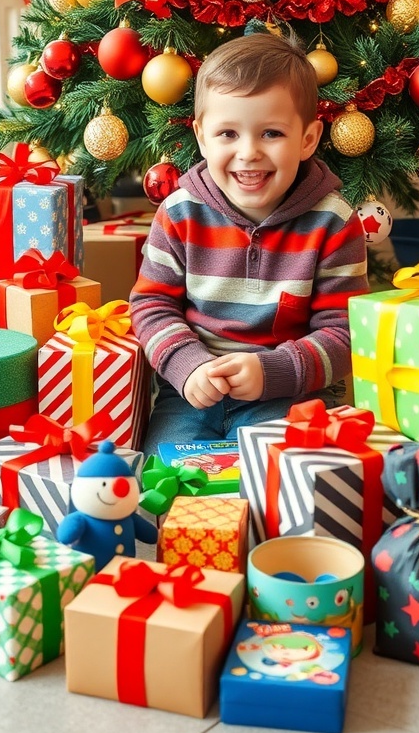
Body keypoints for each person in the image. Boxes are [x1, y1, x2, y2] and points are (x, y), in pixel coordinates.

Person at [130, 32, 369, 456]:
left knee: (277, 477)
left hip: (286, 394)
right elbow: (151, 305)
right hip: (191, 393)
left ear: (308, 139)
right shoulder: (179, 213)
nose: (249, 152)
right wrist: (188, 365)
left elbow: (345, 332)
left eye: (271, 133)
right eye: (227, 133)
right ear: (201, 137)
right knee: (162, 477)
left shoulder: (334, 222)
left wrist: (272, 371)